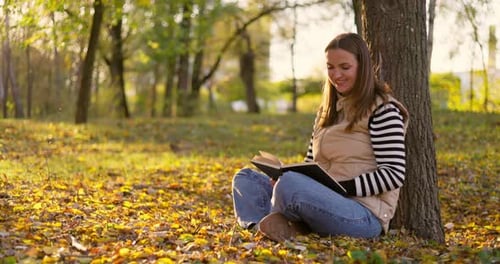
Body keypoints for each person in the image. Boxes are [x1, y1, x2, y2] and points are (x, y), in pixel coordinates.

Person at [231, 32, 409, 242]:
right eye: (330, 67)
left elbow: (393, 174)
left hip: (362, 214)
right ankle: (261, 227)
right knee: (245, 178)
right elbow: (310, 163)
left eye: (345, 67)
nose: (336, 75)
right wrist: (279, 177)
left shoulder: (382, 111)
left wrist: (342, 187)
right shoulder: (327, 111)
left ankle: (279, 222)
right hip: (322, 201)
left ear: (363, 67)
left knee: (290, 184)